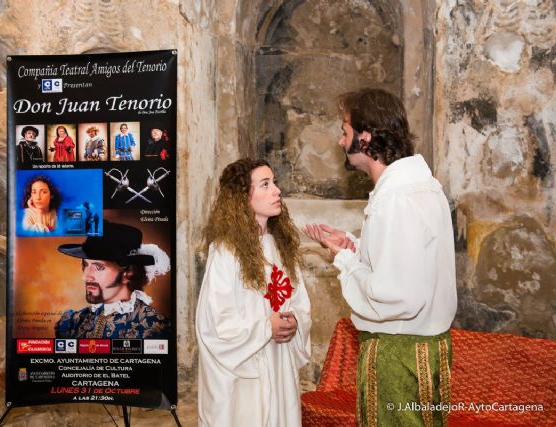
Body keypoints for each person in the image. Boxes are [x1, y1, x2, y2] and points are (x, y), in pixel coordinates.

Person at [302, 88, 457, 426]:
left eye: (345, 132)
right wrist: (355, 246)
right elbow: (409, 261)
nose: (341, 142)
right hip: (427, 347)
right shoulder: (424, 187)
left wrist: (343, 259)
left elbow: (392, 295)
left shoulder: (395, 199)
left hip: (396, 351)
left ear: (365, 137)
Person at [196, 158, 311, 427]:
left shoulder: (282, 247)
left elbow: (299, 300)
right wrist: (264, 327)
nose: (276, 191)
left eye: (275, 183)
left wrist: (295, 321)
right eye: (265, 184)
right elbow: (215, 322)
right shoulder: (226, 251)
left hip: (278, 363)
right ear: (242, 197)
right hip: (244, 374)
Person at [55, 221, 170, 339]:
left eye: (99, 267)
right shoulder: (72, 322)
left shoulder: (156, 328)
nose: (85, 276)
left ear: (128, 272)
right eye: (85, 265)